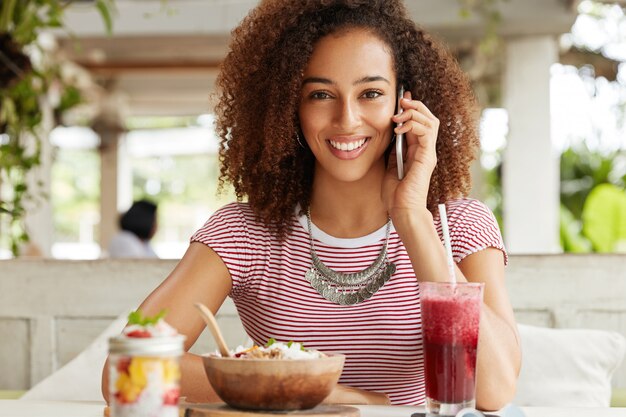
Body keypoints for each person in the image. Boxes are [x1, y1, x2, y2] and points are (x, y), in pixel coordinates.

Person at [102, 0, 520, 409]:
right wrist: (317, 392)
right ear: (289, 107)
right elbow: (127, 367)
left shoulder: (458, 224)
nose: (347, 119)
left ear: (404, 104)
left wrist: (412, 219)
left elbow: (495, 389)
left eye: (371, 93)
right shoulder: (244, 233)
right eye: (321, 95)